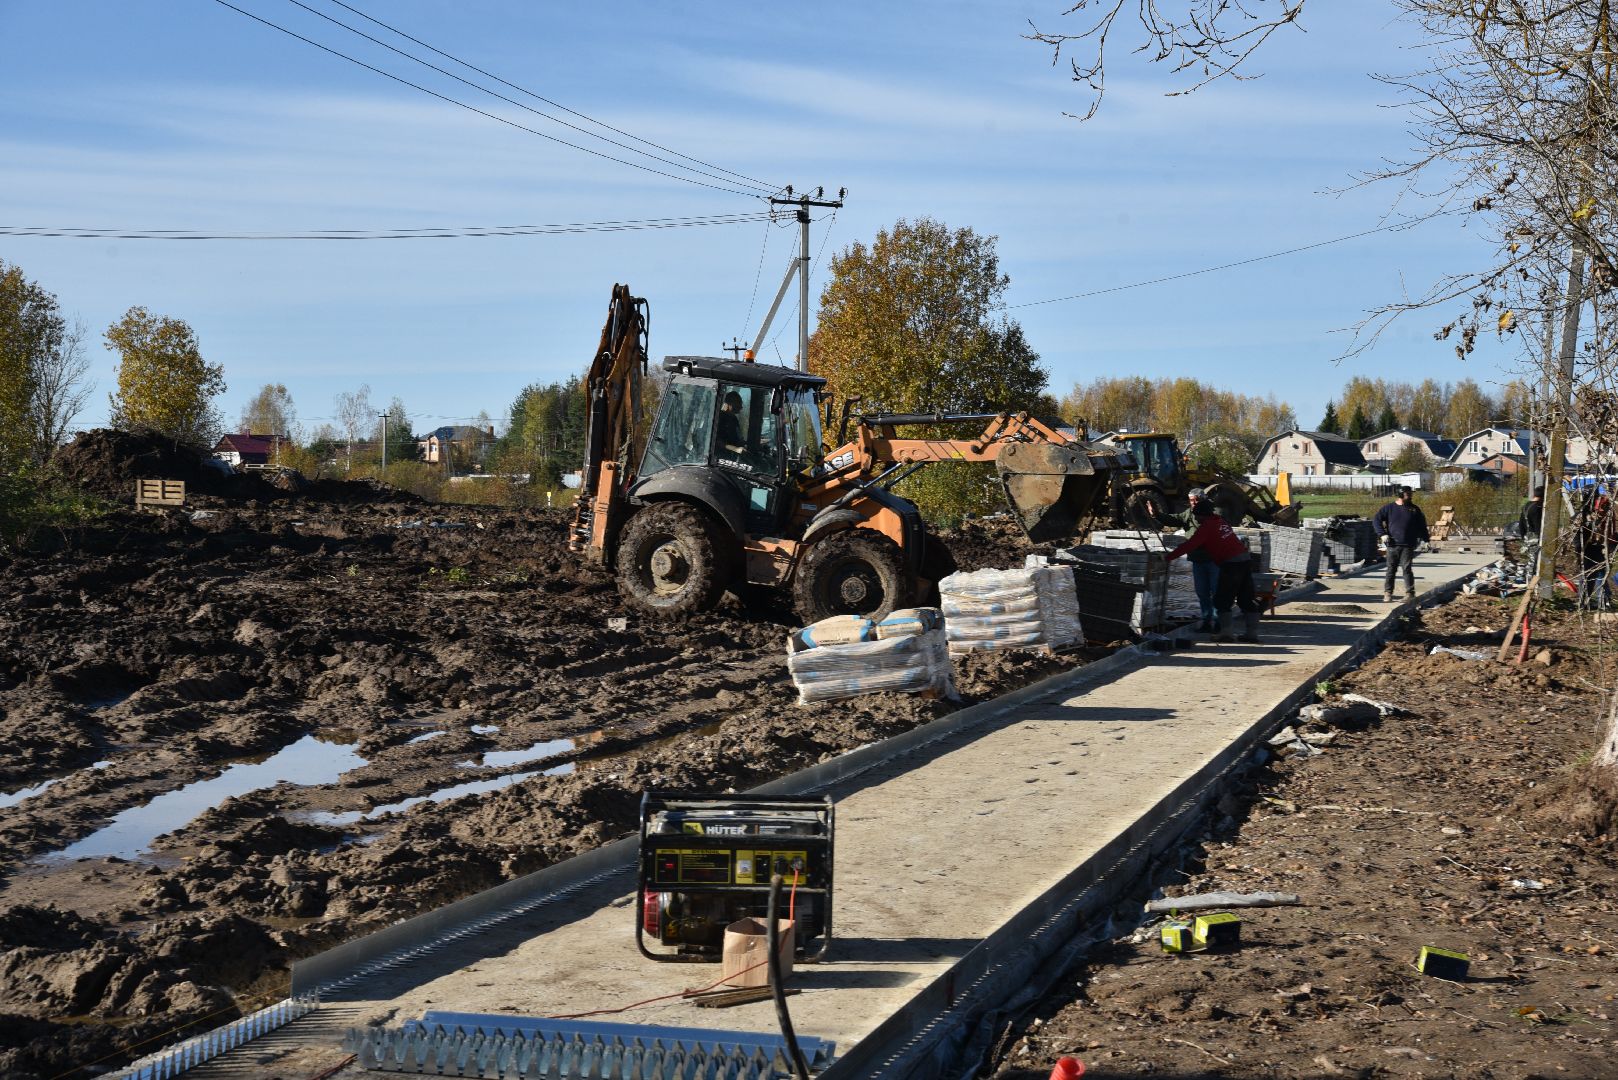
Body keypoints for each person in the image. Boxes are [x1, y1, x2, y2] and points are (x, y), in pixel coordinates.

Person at [1167, 501, 1262, 643]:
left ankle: (1226, 633)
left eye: (1197, 516)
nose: (1196, 519)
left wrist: (1167, 557)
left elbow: (1190, 545)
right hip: (1244, 560)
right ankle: (1252, 634)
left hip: (1231, 563)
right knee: (1246, 598)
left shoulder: (1207, 527)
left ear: (1203, 515)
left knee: (1222, 599)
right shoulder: (1220, 521)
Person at [1373, 485, 1430, 602]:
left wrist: (1426, 540)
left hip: (1408, 544)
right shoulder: (1389, 508)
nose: (1410, 496)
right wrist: (1382, 534)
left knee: (1407, 569)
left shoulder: (1414, 509)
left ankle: (1410, 593)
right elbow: (1376, 520)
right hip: (1392, 544)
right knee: (1390, 569)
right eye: (1407, 494)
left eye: (1410, 494)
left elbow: (1422, 526)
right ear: (1400, 494)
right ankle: (1388, 593)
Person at [1183, 488, 1221, 632]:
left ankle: (1218, 623)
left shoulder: (1214, 515)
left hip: (1213, 561)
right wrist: (1157, 514)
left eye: (1196, 500)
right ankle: (1206, 621)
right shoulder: (1188, 514)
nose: (1193, 503)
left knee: (1216, 592)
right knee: (1202, 592)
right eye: (1191, 500)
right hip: (1198, 560)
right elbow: (1173, 518)